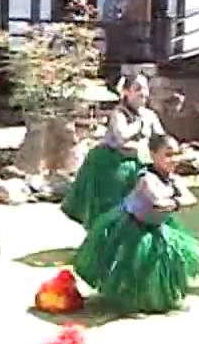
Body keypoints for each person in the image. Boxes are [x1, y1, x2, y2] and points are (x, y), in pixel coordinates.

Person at [73, 134, 199, 314]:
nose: (173, 160)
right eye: (167, 155)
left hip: (155, 225)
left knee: (162, 265)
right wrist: (176, 201)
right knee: (132, 267)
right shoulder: (146, 178)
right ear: (152, 155)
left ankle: (157, 299)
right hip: (131, 225)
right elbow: (157, 202)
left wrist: (173, 202)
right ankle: (129, 299)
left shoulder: (173, 178)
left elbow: (190, 199)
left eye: (176, 154)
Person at [61, 72, 163, 229]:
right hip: (113, 164)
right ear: (126, 92)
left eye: (145, 89)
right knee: (111, 206)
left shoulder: (150, 115)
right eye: (138, 89)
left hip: (141, 161)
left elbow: (161, 138)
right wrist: (138, 124)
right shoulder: (118, 114)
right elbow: (122, 137)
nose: (143, 93)